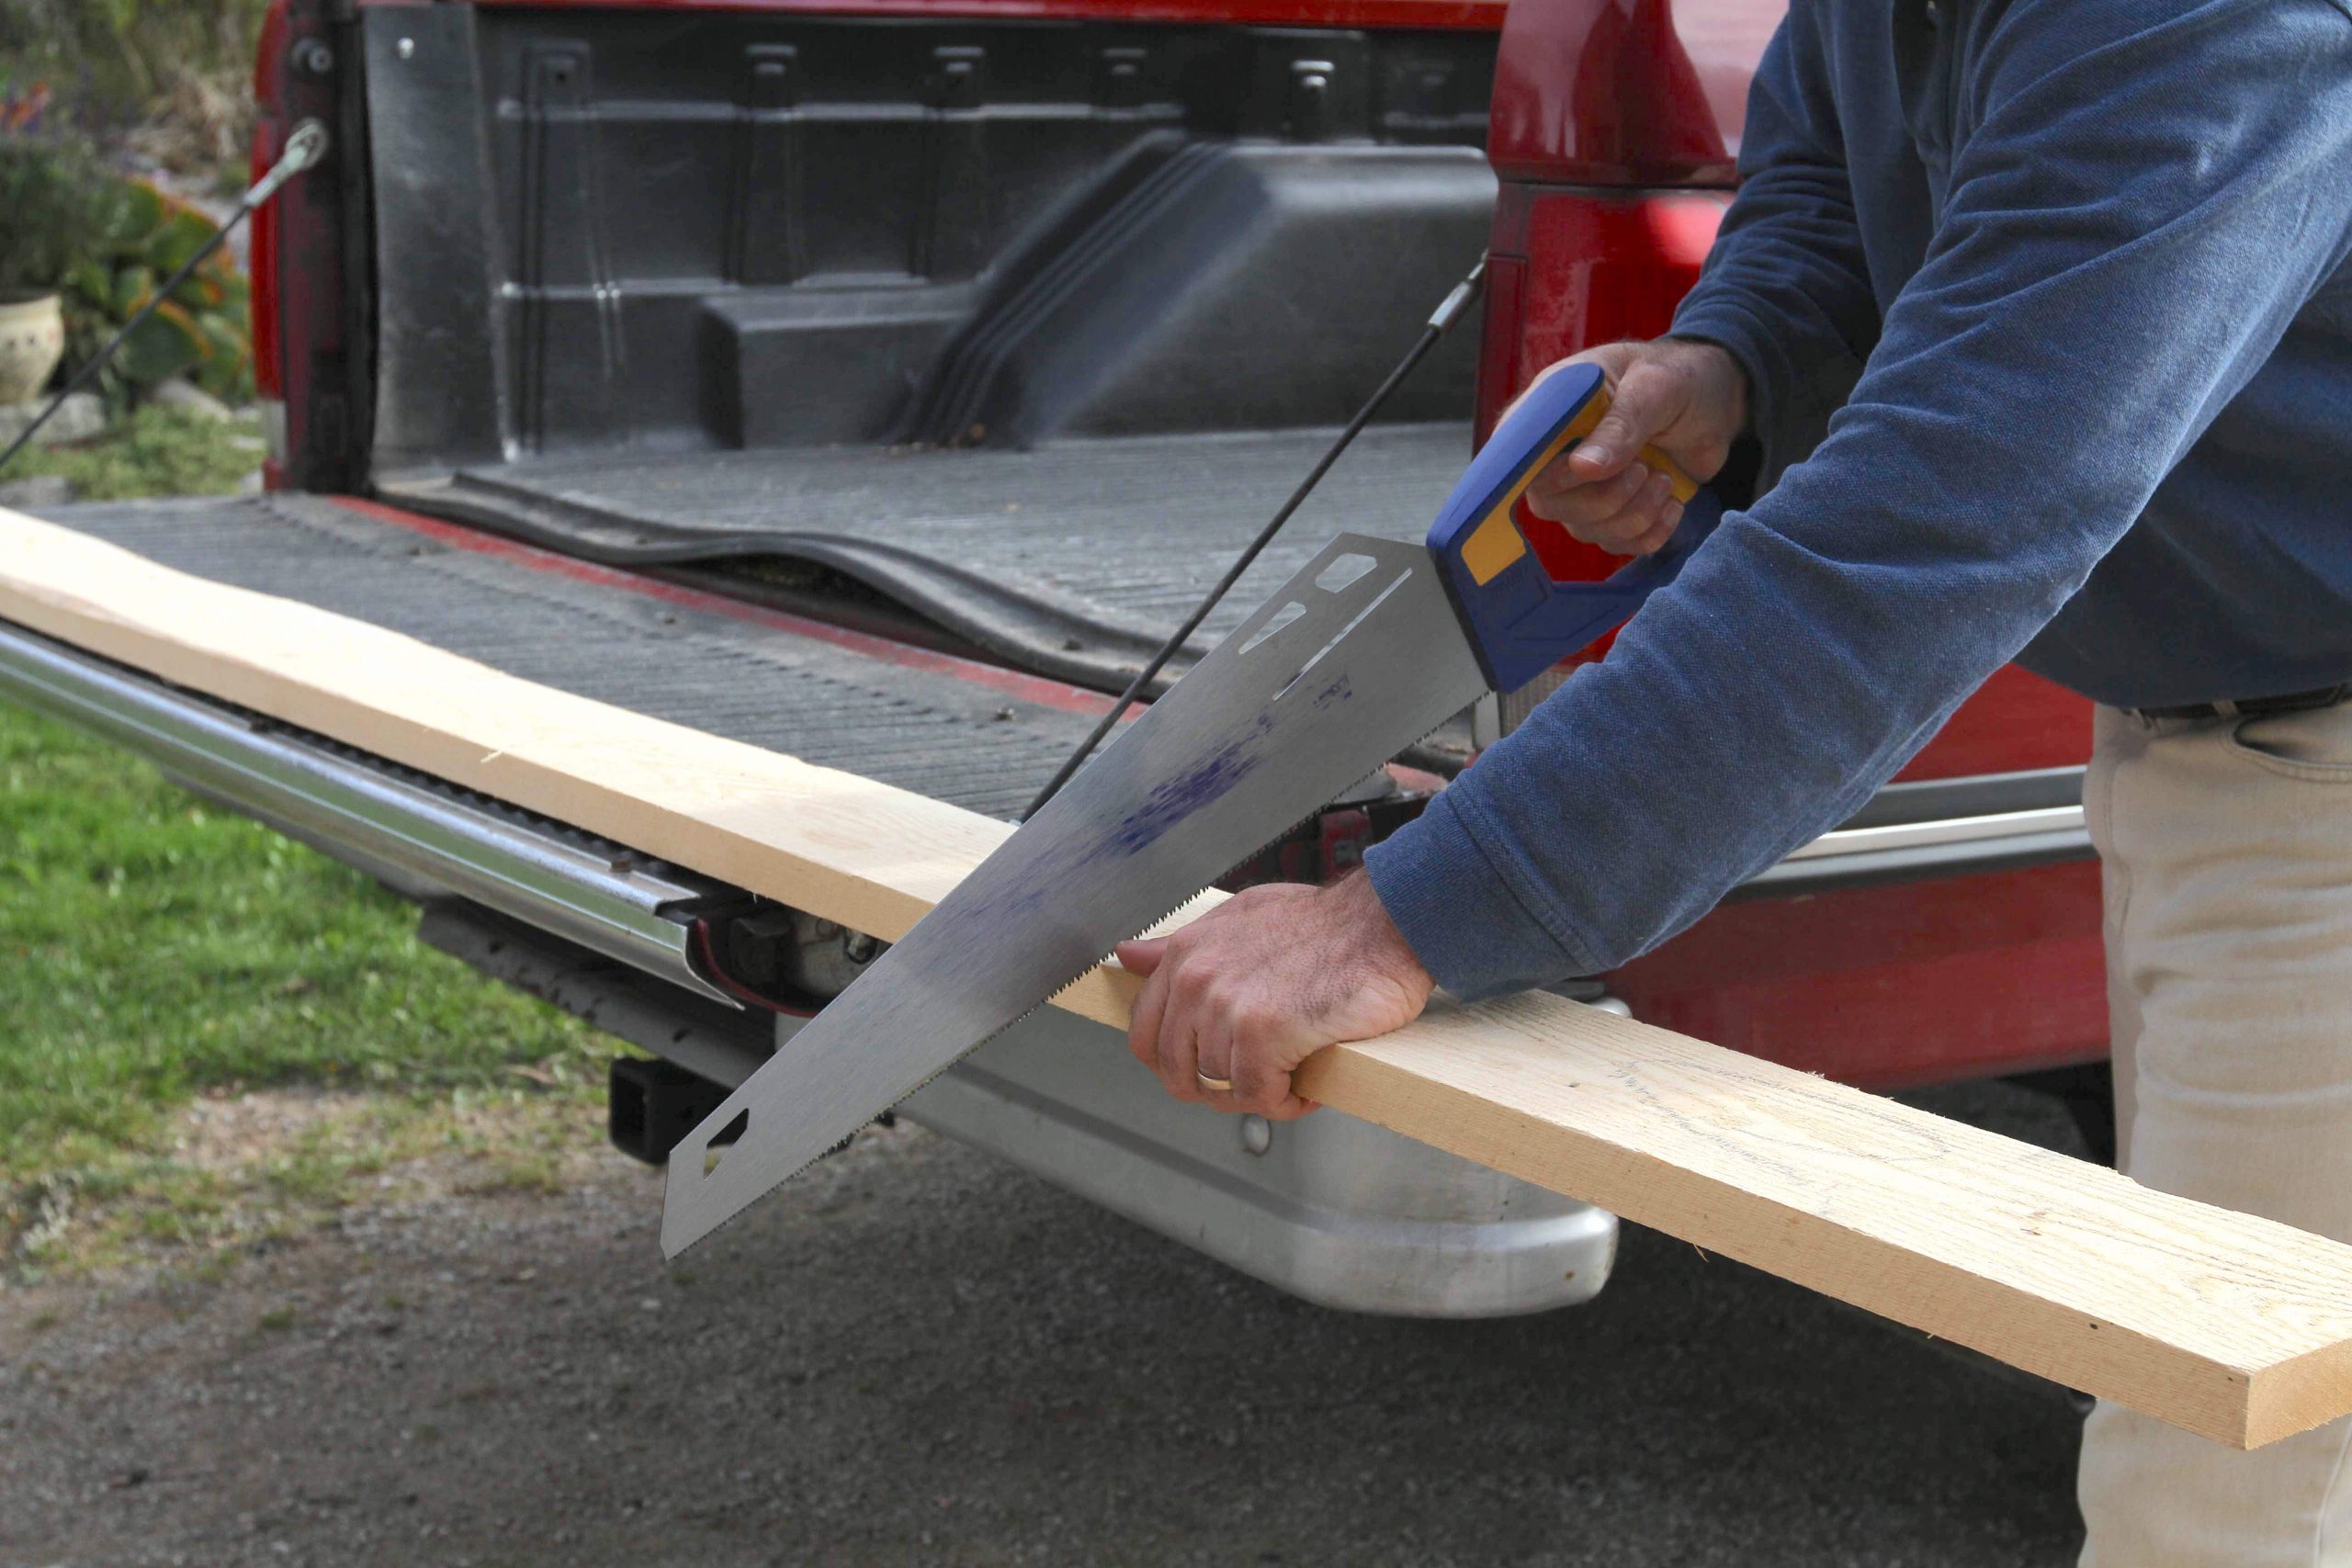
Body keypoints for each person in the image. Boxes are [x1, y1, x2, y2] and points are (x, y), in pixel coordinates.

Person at [1114, 1, 2352, 1561]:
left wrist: (1402, 918)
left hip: (2329, 753)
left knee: (2228, 1501)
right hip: (2216, 721)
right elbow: (1834, 182)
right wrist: (1734, 358)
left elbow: (1924, 537)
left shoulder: (2202, 21)